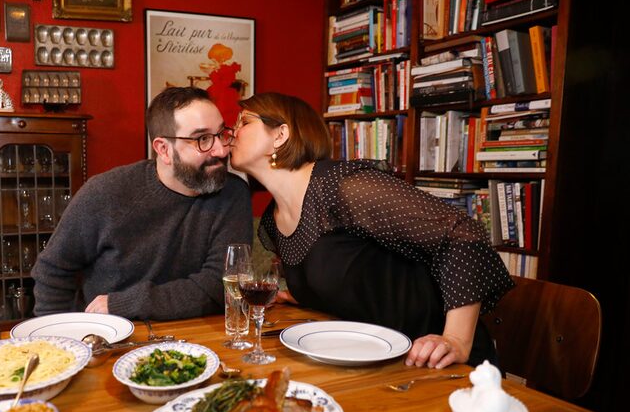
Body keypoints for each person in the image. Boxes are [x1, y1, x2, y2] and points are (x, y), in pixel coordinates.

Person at [229, 92, 513, 369]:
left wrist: (455, 339)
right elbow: (349, 270)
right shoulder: (274, 217)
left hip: (437, 361)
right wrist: (308, 292)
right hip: (374, 359)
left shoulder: (345, 187)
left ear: (280, 135)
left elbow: (463, 233)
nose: (233, 131)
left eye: (244, 122)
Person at [31, 87, 253, 320]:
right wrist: (58, 338)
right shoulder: (105, 193)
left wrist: (127, 303)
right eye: (202, 139)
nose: (220, 149)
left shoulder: (233, 192)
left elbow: (220, 284)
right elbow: (53, 271)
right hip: (111, 337)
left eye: (221, 134)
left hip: (197, 336)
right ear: (163, 150)